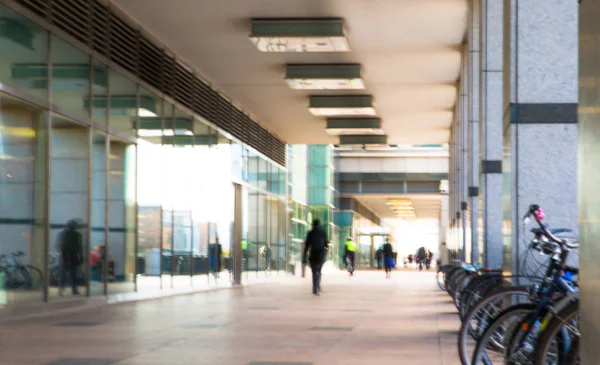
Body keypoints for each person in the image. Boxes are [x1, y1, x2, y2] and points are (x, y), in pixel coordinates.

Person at [303, 220, 328, 295]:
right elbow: (326, 244)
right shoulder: (323, 232)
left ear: (313, 225)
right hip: (320, 255)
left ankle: (315, 288)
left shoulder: (310, 233)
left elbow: (307, 246)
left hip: (313, 254)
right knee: (319, 271)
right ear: (319, 225)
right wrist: (325, 252)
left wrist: (304, 258)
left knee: (314, 272)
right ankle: (317, 287)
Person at [59, 219, 83, 295]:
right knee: (73, 274)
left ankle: (61, 289)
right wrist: (81, 257)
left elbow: (62, 245)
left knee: (64, 273)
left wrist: (63, 256)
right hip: (73, 255)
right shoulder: (77, 234)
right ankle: (73, 289)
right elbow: (80, 247)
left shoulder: (64, 233)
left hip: (65, 255)